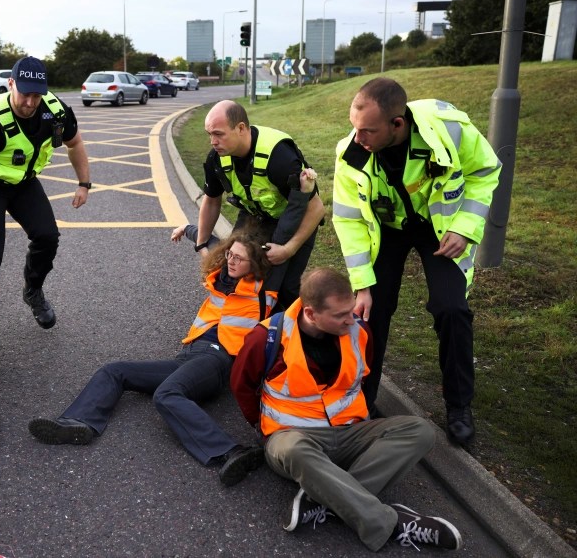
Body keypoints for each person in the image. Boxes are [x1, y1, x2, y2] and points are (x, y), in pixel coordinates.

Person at [230, 267, 463, 552]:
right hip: (293, 439)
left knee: (420, 430)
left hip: (349, 433)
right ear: (312, 314)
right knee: (293, 449)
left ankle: (323, 500)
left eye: (350, 310)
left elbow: (361, 381)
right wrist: (262, 427)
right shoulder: (266, 338)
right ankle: (389, 523)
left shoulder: (360, 331)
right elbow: (241, 385)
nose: (350, 319)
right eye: (340, 315)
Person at [28, 229, 274, 487]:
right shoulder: (219, 277)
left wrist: (288, 243)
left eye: (239, 258)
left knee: (167, 394)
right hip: (188, 356)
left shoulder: (261, 290)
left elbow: (288, 261)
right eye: (230, 255)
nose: (231, 261)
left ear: (254, 265)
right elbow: (208, 239)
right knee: (115, 370)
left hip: (218, 361)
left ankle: (231, 451)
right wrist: (187, 229)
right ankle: (78, 422)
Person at [332, 77, 501, 445]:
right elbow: (347, 218)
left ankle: (458, 406)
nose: (358, 138)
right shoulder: (352, 153)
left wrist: (465, 227)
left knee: (452, 309)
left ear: (398, 123)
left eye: (368, 131)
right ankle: (363, 399)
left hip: (439, 228)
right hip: (387, 229)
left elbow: (486, 170)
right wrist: (362, 283)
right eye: (355, 127)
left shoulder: (450, 131)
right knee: (369, 311)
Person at [0, 56, 91, 373]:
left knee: (48, 237)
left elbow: (74, 142)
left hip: (24, 183)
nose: (29, 102)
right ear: (11, 84)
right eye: (24, 93)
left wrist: (83, 183)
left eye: (36, 95)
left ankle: (33, 290)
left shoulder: (54, 112)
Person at [194, 100, 325, 310]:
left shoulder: (279, 157)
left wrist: (288, 249)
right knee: (234, 273)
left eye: (218, 134)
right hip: (253, 216)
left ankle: (284, 335)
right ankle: (236, 325)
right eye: (209, 134)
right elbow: (211, 199)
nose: (213, 141)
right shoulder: (217, 158)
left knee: (286, 288)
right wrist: (201, 243)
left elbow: (316, 208)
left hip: (293, 220)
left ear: (241, 128)